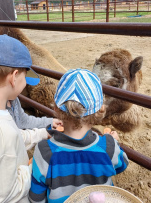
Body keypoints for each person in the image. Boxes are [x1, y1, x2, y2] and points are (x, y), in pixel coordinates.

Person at [0, 35, 50, 203]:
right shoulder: (1, 129)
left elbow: (14, 138)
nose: (26, 82)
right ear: (14, 77)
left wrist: (42, 133)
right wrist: (34, 166)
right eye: (25, 77)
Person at [29, 69, 129, 203]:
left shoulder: (44, 151)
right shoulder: (107, 147)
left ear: (56, 109)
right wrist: (114, 142)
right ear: (100, 110)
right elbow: (122, 164)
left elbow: (36, 198)